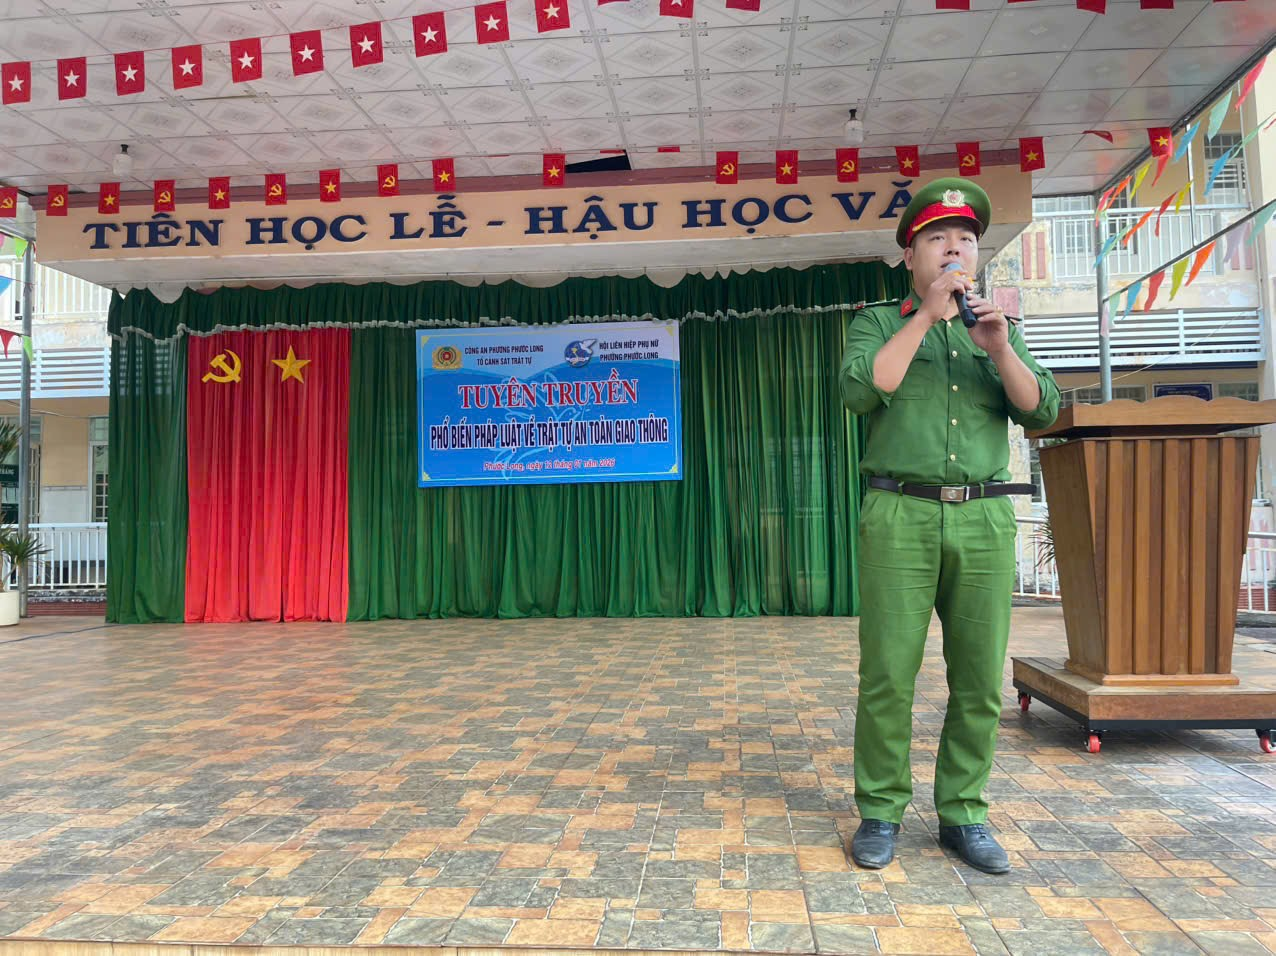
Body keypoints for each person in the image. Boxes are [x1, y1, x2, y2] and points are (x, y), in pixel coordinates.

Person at [838, 177, 1060, 874]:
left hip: (985, 516)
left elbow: (1042, 409)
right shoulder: (880, 322)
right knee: (888, 673)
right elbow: (860, 390)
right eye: (938, 239)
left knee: (979, 679)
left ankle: (964, 813)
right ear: (911, 256)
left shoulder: (997, 327)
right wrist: (925, 319)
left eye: (966, 239)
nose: (955, 249)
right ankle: (880, 810)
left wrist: (999, 349)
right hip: (899, 513)